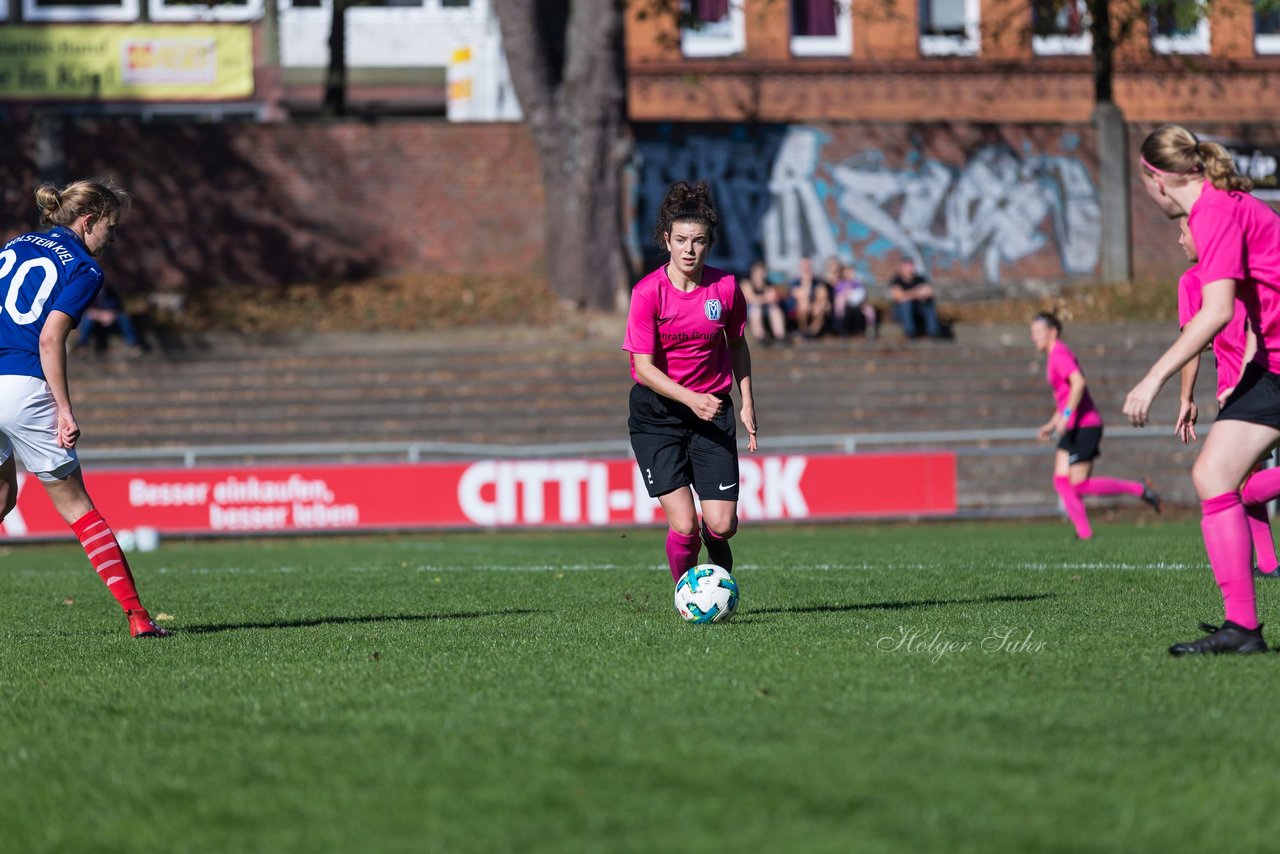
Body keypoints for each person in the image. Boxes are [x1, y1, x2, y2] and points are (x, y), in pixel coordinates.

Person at [1122, 124, 1280, 655]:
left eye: (1143, 182)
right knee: (1214, 475)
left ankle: (1242, 627)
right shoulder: (1218, 206)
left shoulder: (1212, 211)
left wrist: (1153, 378)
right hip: (1274, 365)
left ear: (1158, 179)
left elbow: (1214, 313)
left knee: (1214, 475)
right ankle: (1242, 630)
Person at [0, 179, 168, 638]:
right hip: (21, 386)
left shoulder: (14, 246)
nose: (111, 240)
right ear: (88, 221)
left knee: (1, 498)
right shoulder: (84, 268)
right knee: (78, 509)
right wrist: (64, 408)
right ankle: (138, 618)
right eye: (109, 228)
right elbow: (50, 338)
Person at [622, 180, 758, 584]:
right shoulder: (648, 293)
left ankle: (716, 560)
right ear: (666, 240)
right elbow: (643, 367)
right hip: (657, 415)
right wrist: (689, 398)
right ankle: (688, 594)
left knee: (722, 524)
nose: (689, 249)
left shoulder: (726, 289)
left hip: (712, 411)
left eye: (698, 241)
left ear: (709, 243)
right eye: (680, 239)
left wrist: (746, 399)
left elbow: (737, 345)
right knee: (684, 525)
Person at [1171, 216, 1279, 579]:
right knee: (1244, 480)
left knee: (1234, 482)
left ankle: (1260, 574)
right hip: (1265, 376)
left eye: (1184, 231)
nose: (1179, 239)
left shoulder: (1193, 281)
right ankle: (1268, 565)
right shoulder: (1244, 271)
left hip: (1243, 387)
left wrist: (1186, 397)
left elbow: (1193, 344)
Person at [1031, 313, 1162, 540]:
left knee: (1079, 485)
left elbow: (1079, 383)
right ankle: (1084, 534)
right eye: (1032, 334)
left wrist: (1067, 415)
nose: (1034, 338)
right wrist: (1053, 423)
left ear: (1053, 331)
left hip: (1085, 425)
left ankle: (1139, 489)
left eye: (1038, 333)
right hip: (1072, 426)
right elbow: (1065, 397)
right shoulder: (1053, 355)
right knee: (1061, 481)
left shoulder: (1059, 353)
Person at [76, 284, 143, 356]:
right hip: (95, 321)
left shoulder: (112, 293)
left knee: (123, 318)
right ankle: (82, 345)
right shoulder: (89, 293)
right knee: (87, 320)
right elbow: (87, 310)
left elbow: (118, 308)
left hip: (111, 319)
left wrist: (111, 316)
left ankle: (133, 345)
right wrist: (101, 316)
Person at [889, 259, 943, 340]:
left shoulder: (920, 279)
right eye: (908, 266)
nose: (911, 269)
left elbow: (929, 292)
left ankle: (934, 332)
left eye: (912, 266)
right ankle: (910, 333)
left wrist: (909, 295)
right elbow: (899, 297)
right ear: (902, 268)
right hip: (900, 312)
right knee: (906, 303)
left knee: (928, 303)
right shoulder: (896, 281)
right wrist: (916, 293)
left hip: (918, 310)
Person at [740, 259, 787, 345]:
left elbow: (772, 298)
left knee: (774, 309)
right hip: (749, 310)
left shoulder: (768, 284)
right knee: (756, 308)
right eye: (757, 273)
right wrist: (764, 298)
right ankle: (760, 336)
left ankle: (780, 336)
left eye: (762, 274)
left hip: (766, 309)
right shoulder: (746, 283)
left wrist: (759, 298)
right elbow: (750, 298)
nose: (760, 276)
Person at [787, 257, 831, 339]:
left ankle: (812, 331)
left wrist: (819, 303)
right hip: (798, 307)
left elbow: (822, 294)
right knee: (804, 305)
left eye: (808, 266)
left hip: (812, 305)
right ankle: (804, 331)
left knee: (821, 306)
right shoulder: (795, 281)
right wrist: (806, 282)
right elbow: (800, 295)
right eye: (804, 266)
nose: (806, 268)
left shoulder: (817, 281)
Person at [831, 262, 877, 338]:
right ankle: (843, 330)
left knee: (869, 311)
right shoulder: (840, 284)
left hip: (858, 306)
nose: (849, 273)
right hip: (845, 309)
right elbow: (837, 297)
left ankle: (869, 329)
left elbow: (862, 294)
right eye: (847, 271)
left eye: (851, 271)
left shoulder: (857, 283)